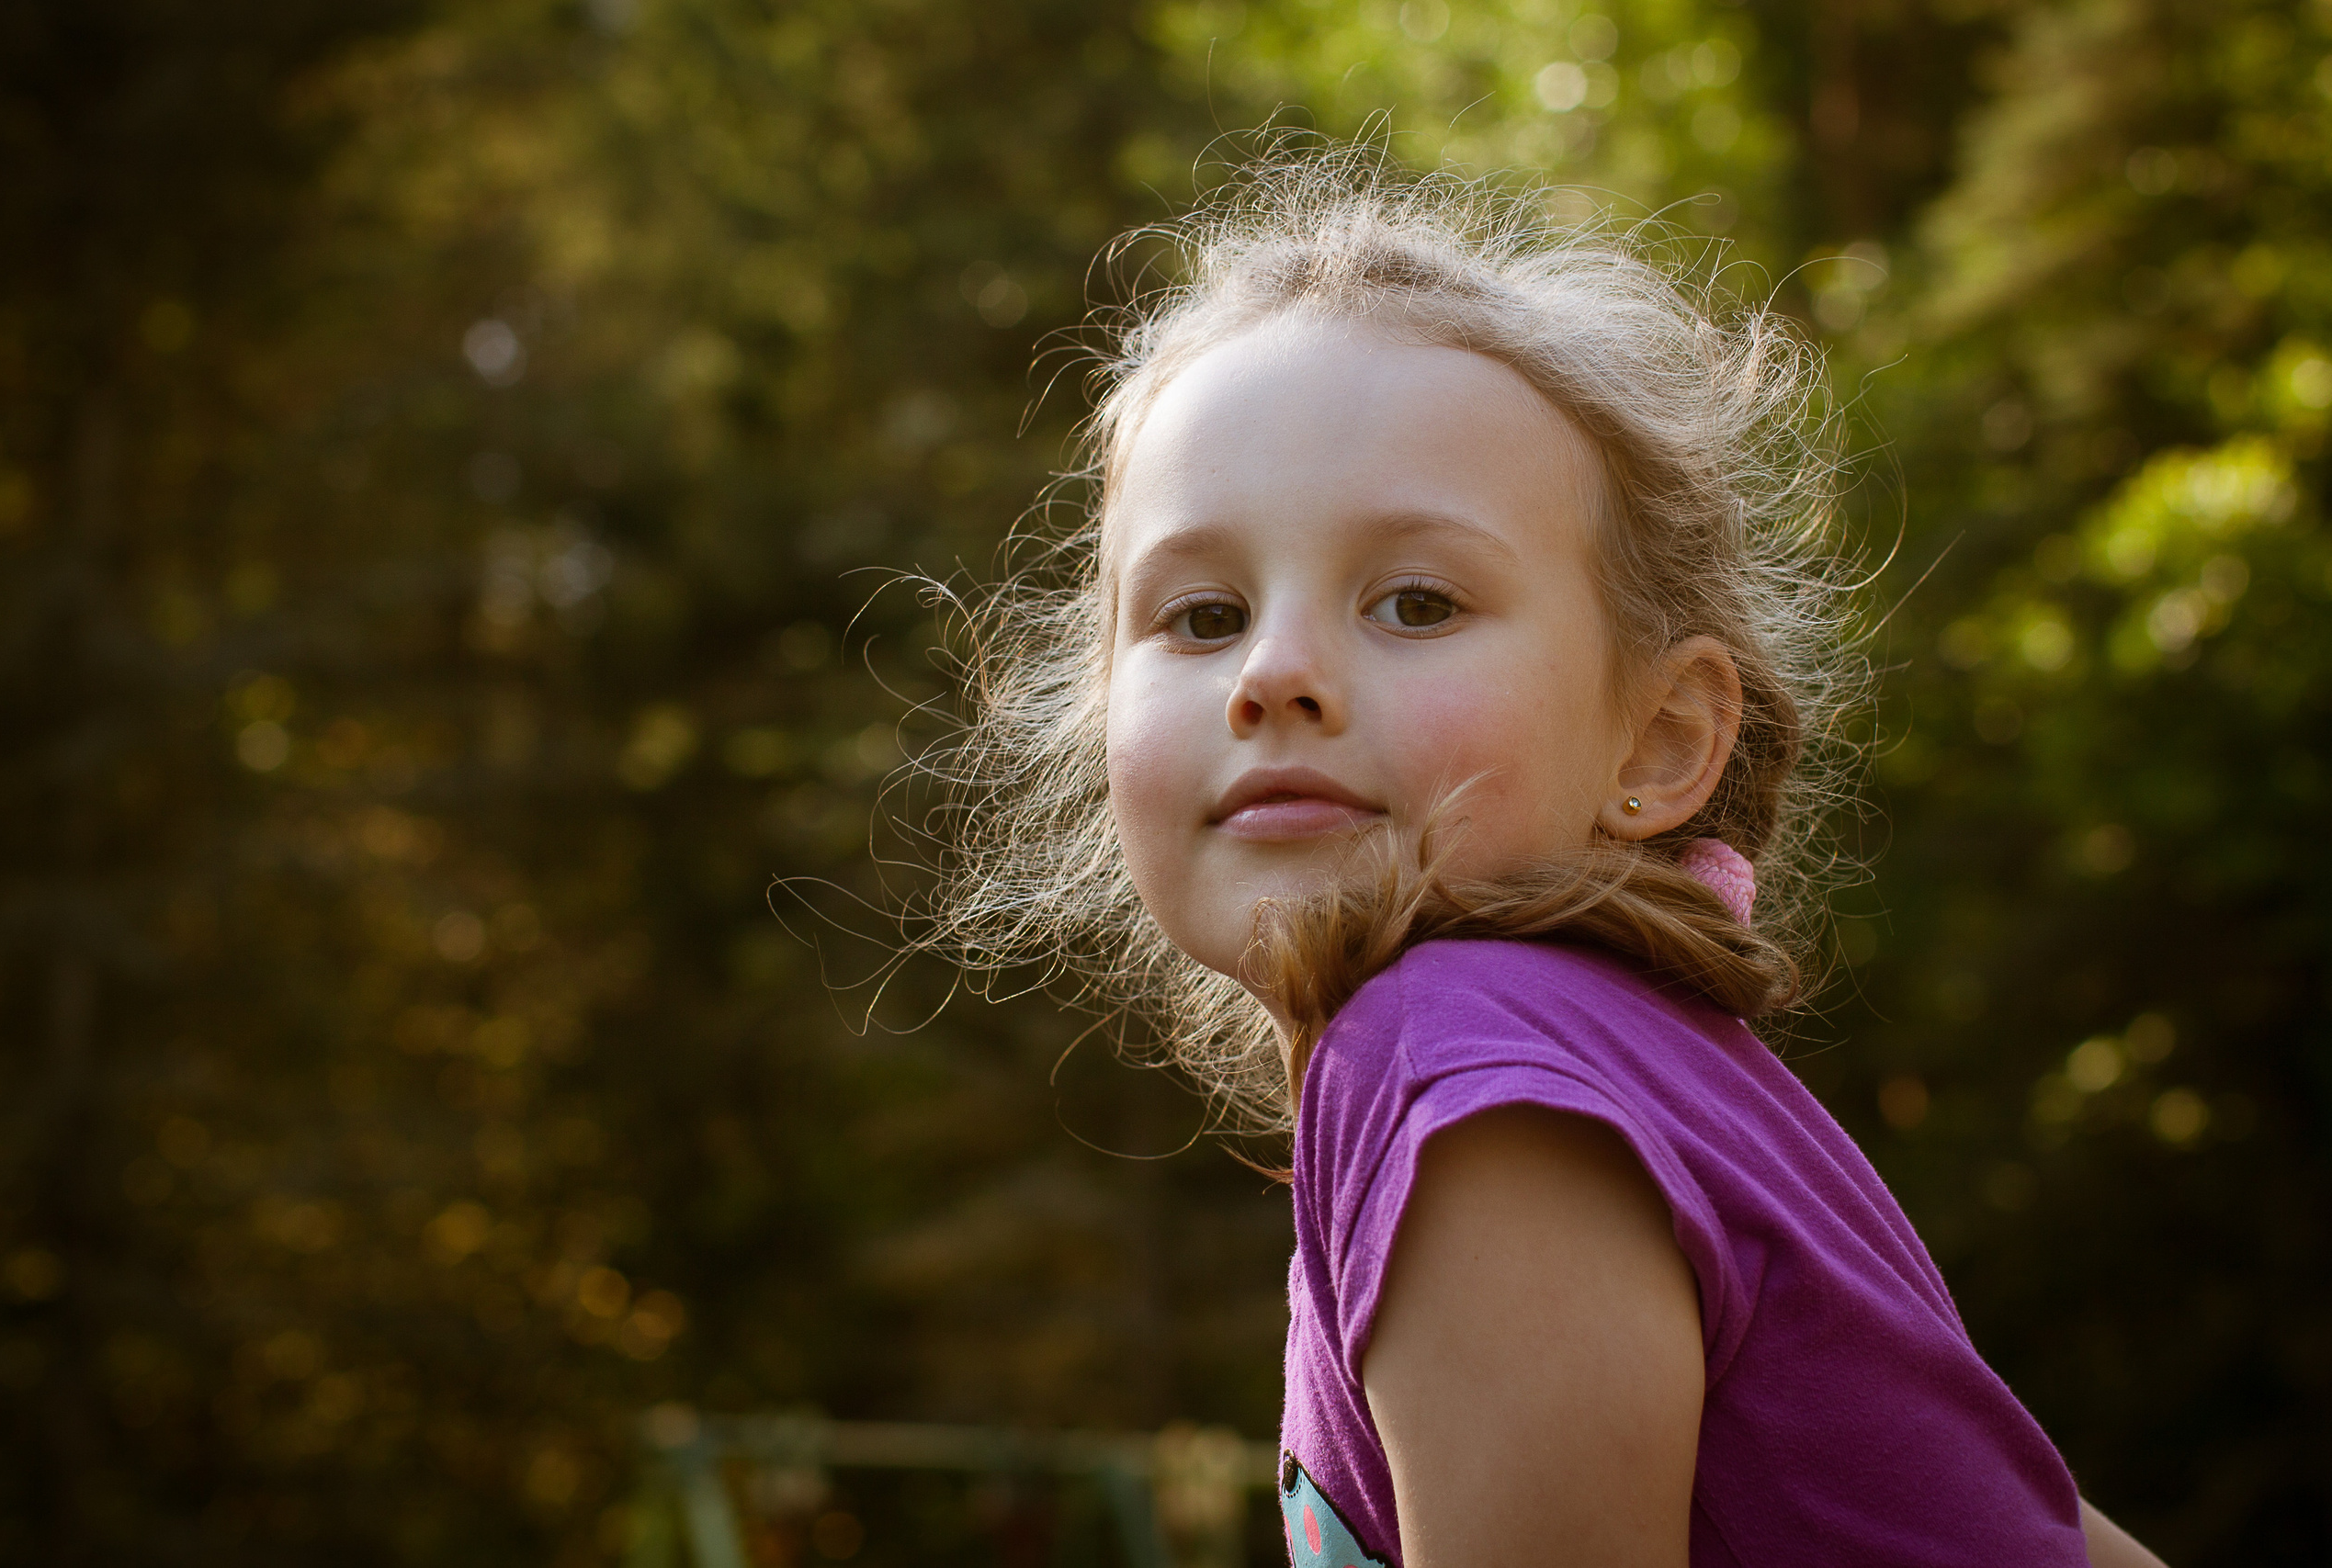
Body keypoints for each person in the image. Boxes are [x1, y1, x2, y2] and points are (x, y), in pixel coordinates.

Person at [923, 151, 2169, 1567]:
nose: (1273, 675)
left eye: (1413, 600)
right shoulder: (1630, 1068)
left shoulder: (1462, 1063)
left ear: (1655, 741)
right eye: (1201, 617)